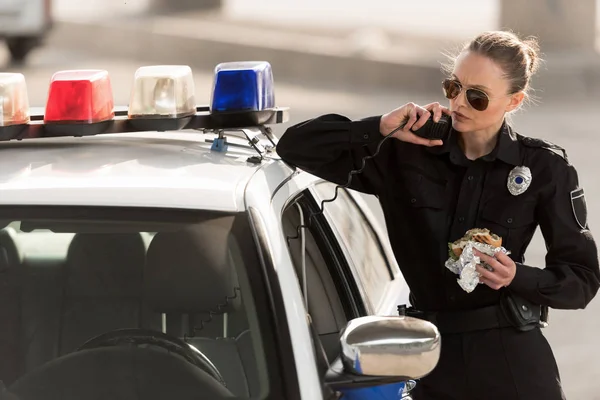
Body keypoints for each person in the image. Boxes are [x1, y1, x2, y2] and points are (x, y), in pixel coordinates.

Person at [276, 30, 600, 399]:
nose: (459, 102)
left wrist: (516, 276)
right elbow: (295, 146)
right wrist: (380, 127)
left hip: (509, 359)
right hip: (427, 357)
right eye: (454, 87)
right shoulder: (406, 150)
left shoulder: (544, 168)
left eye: (476, 97)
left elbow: (582, 281)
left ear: (513, 102)